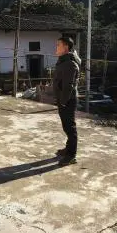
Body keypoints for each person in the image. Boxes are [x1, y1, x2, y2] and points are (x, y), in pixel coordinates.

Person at [53, 36, 81, 166]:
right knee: (66, 126)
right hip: (63, 99)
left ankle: (71, 156)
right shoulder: (63, 61)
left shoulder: (70, 63)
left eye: (58, 45)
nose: (56, 47)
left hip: (68, 100)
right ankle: (68, 149)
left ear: (65, 47)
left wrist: (63, 101)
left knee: (70, 127)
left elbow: (69, 86)